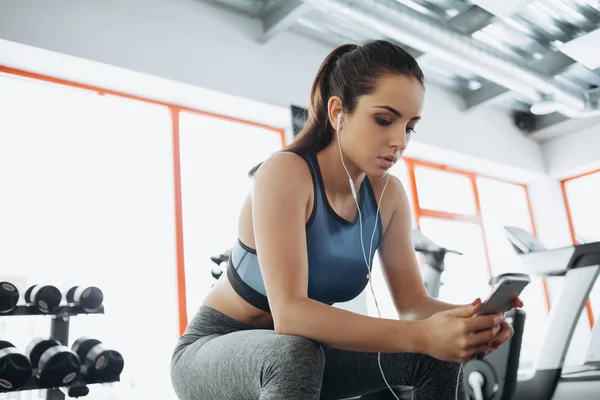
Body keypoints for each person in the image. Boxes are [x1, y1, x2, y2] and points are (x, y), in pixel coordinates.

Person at [170, 40, 523, 400]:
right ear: (338, 111)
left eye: (410, 127)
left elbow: (413, 305)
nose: (399, 141)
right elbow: (290, 315)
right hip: (215, 347)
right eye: (384, 120)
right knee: (295, 352)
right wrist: (424, 334)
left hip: (306, 351)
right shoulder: (285, 173)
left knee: (435, 357)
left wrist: (472, 320)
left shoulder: (389, 196)